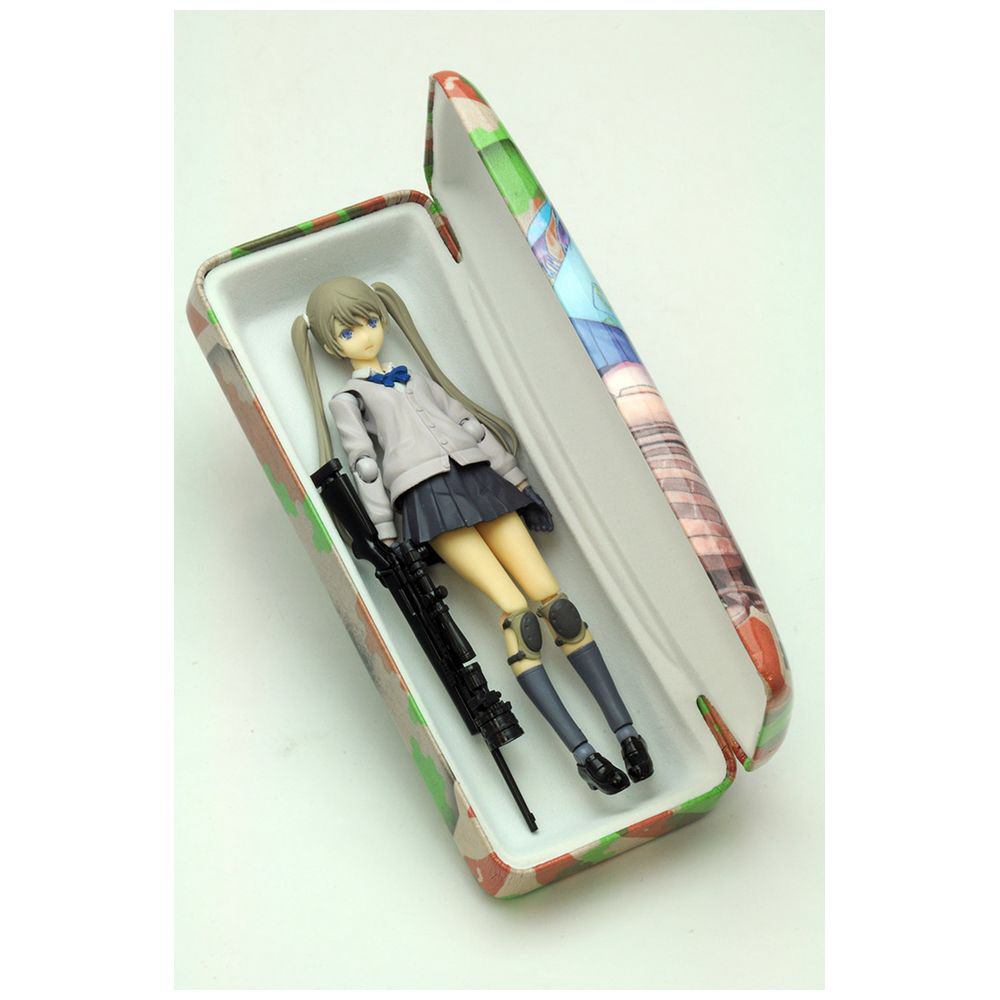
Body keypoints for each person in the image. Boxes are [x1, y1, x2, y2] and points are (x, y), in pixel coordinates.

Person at [292, 276, 653, 793]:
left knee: (557, 604)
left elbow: (469, 425)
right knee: (518, 615)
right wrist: (388, 534)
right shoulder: (347, 399)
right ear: (331, 344)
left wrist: (514, 476)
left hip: (479, 479)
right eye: (349, 332)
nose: (366, 336)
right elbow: (364, 465)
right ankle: (583, 754)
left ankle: (627, 732)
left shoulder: (417, 377)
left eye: (370, 322)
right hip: (427, 499)